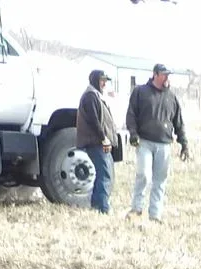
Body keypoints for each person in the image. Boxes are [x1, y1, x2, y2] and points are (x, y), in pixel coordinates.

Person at [125, 63, 188, 222]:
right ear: (155, 75)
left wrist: (184, 144)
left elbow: (179, 122)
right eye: (164, 74)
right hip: (145, 142)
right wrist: (133, 133)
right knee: (144, 175)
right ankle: (137, 208)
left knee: (160, 180)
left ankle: (155, 214)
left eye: (168, 75)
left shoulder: (171, 97)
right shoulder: (140, 92)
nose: (167, 78)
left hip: (164, 144)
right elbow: (131, 114)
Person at [76, 69, 119, 214]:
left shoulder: (96, 95)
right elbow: (94, 121)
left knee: (103, 173)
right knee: (105, 174)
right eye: (102, 80)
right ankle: (103, 207)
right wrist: (104, 138)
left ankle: (97, 205)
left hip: (98, 142)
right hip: (96, 142)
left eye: (105, 80)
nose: (104, 83)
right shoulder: (90, 96)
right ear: (95, 80)